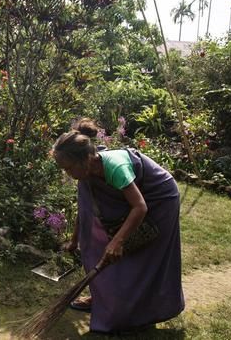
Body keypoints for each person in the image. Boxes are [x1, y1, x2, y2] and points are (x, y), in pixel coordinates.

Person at [52, 118, 184, 334]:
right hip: (137, 198)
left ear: (84, 159)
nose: (66, 174)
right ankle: (102, 297)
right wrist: (75, 240)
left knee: (144, 256)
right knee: (95, 241)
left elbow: (140, 207)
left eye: (67, 168)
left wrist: (118, 240)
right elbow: (85, 212)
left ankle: (141, 310)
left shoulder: (115, 167)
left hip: (159, 199)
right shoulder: (85, 172)